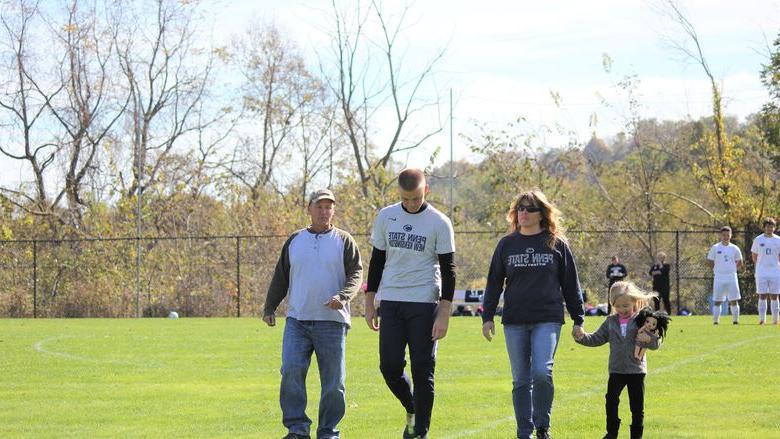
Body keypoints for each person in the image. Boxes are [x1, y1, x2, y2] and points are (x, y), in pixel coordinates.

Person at [481, 190, 584, 439]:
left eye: (529, 209)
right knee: (520, 379)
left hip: (547, 318)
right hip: (515, 319)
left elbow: (571, 283)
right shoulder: (506, 244)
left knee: (541, 371)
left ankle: (542, 426)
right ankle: (524, 432)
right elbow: (494, 282)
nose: (523, 213)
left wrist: (578, 318)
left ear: (542, 214)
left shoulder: (556, 243)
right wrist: (487, 317)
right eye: (520, 208)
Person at [262, 188, 363, 439]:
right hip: (297, 320)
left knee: (333, 383)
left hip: (332, 322)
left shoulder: (344, 240)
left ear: (333, 210)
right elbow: (281, 276)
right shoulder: (295, 240)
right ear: (309, 208)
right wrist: (269, 307)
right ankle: (297, 429)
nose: (324, 211)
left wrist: (343, 296)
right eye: (319, 206)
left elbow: (356, 275)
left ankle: (328, 431)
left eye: (328, 206)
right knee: (291, 371)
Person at [364, 168, 456, 439]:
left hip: (424, 304)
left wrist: (444, 313)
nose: (411, 204)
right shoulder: (386, 216)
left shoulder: (439, 222)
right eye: (406, 199)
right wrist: (370, 302)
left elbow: (449, 270)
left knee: (422, 370)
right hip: (391, 301)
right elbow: (377, 261)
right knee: (389, 367)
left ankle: (419, 432)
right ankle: (413, 407)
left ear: (425, 190)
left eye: (415, 198)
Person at [574, 281, 661, 439]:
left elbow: (656, 342)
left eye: (626, 306)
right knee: (611, 400)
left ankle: (636, 435)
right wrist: (581, 337)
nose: (622, 310)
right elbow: (596, 338)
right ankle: (612, 432)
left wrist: (649, 340)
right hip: (616, 370)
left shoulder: (642, 320)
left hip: (636, 370)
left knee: (637, 405)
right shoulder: (610, 322)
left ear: (634, 302)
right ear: (613, 304)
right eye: (618, 306)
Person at [707, 226, 743, 325]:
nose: (726, 237)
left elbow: (740, 261)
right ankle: (716, 321)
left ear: (731, 235)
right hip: (719, 277)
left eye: (728, 235)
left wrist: (734, 270)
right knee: (717, 300)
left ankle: (735, 321)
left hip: (732, 277)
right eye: (724, 235)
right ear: (720, 235)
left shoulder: (735, 248)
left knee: (733, 300)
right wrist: (715, 269)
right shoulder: (715, 247)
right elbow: (710, 261)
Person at [751, 217, 780, 325]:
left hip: (775, 272)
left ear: (774, 228)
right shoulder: (758, 239)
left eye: (772, 226)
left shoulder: (778, 240)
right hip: (761, 272)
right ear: (764, 228)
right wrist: (760, 266)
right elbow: (754, 256)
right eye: (767, 226)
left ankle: (775, 320)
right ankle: (762, 320)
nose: (769, 228)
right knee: (762, 295)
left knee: (774, 296)